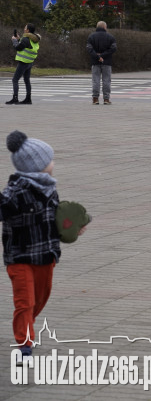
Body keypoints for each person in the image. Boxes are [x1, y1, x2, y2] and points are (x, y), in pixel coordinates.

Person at [3, 131, 61, 356]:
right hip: (20, 256)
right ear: (35, 166)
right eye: (48, 161)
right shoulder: (15, 192)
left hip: (46, 254)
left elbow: (57, 216)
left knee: (39, 299)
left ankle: (25, 324)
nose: (52, 164)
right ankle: (24, 343)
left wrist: (75, 226)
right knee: (25, 301)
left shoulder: (50, 189)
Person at [7, 24, 40, 106]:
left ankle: (15, 98)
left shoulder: (25, 38)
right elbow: (24, 46)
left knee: (15, 79)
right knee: (26, 80)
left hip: (23, 62)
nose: (24, 29)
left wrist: (14, 40)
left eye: (25, 28)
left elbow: (17, 47)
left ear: (28, 30)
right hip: (30, 62)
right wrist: (19, 39)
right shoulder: (34, 39)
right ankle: (28, 99)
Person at [86, 21, 117, 105]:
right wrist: (103, 56)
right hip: (107, 62)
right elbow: (113, 48)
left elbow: (89, 49)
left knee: (95, 80)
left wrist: (97, 57)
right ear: (104, 27)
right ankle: (106, 99)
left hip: (95, 62)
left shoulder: (91, 36)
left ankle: (95, 99)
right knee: (106, 80)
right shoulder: (110, 37)